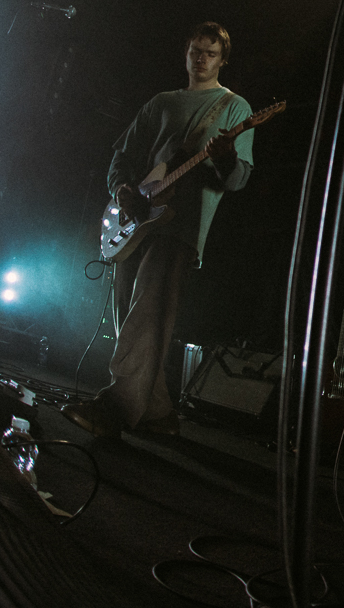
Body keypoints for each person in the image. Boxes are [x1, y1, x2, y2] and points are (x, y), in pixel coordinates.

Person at [62, 22, 254, 438]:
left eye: (210, 53)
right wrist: (122, 190)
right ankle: (158, 412)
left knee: (146, 316)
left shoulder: (233, 107)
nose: (200, 59)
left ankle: (114, 408)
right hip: (137, 221)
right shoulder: (161, 103)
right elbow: (122, 156)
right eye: (195, 51)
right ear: (185, 54)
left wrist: (222, 159)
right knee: (127, 318)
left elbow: (237, 180)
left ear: (223, 60)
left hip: (180, 229)